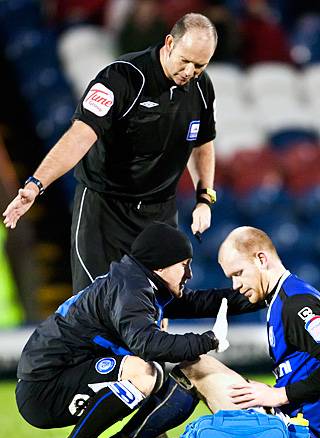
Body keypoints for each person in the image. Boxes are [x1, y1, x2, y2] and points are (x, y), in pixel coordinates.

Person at [15, 222, 261, 438]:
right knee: (145, 372)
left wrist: (262, 293)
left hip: (60, 375)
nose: (190, 274)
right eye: (184, 266)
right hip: (45, 388)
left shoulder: (138, 280)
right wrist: (209, 340)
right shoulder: (130, 290)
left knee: (165, 377)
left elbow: (199, 302)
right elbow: (149, 345)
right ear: (161, 265)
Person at [3, 12, 218, 294]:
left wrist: (204, 197)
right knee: (96, 309)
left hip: (159, 214)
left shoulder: (201, 88)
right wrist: (36, 184)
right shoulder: (121, 78)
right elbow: (80, 136)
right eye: (185, 61)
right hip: (105, 211)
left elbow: (201, 142)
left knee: (157, 313)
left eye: (199, 65)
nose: (190, 72)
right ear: (169, 43)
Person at [217, 226, 320, 438]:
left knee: (197, 368)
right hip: (294, 422)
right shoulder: (281, 297)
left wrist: (282, 394)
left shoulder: (295, 304)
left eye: (238, 273)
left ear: (261, 259)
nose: (235, 285)